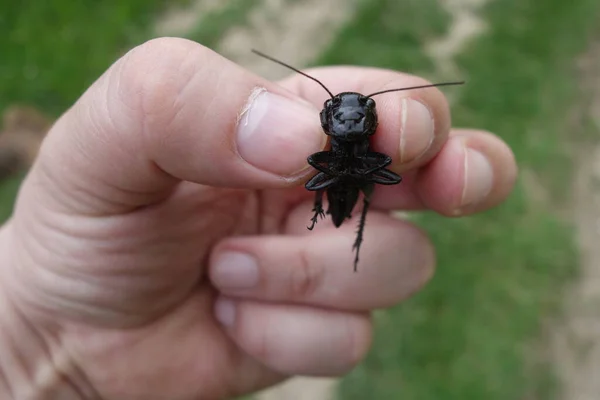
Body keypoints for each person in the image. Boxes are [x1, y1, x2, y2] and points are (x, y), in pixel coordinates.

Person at [0, 38, 517, 399]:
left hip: (351, 174)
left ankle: (343, 228)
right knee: (339, 184)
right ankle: (337, 223)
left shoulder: (349, 139)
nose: (352, 116)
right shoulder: (323, 142)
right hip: (338, 174)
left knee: (355, 186)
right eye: (342, 113)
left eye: (360, 114)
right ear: (329, 118)